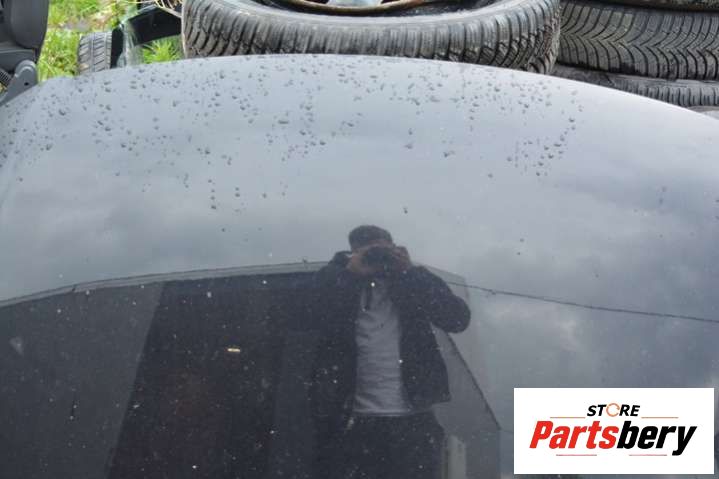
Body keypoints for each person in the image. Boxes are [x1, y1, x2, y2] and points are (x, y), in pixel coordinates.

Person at [307, 225, 471, 479]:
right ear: (353, 253)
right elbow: (308, 318)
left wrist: (409, 272)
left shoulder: (411, 280)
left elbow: (457, 319)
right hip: (351, 420)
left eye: (384, 251)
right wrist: (350, 276)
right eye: (370, 252)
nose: (379, 259)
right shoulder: (334, 278)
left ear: (395, 249)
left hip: (414, 418)